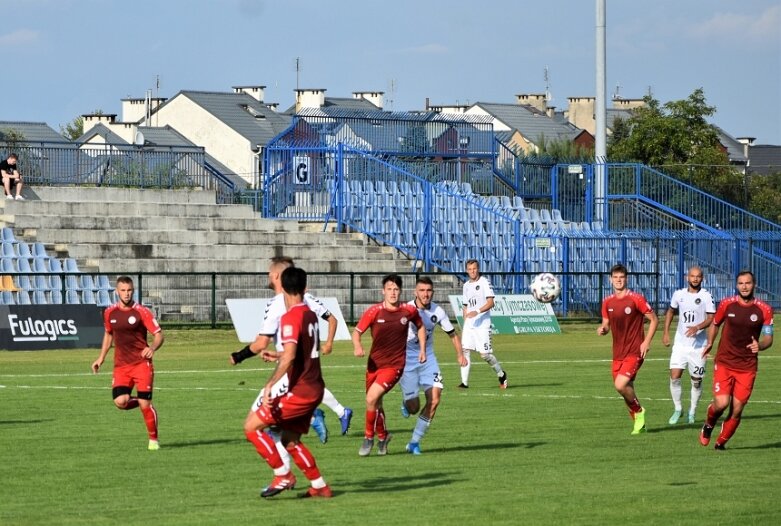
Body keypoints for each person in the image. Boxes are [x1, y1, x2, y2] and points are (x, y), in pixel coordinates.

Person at [230, 257, 352, 463]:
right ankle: (318, 420)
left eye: (270, 273)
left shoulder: (278, 304)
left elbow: (261, 343)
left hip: (288, 371)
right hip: (307, 370)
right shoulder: (307, 302)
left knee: (256, 423)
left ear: (277, 276)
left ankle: (284, 471)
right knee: (281, 428)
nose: (268, 276)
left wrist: (239, 356)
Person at [242, 266, 332, 498]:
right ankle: (320, 486)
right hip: (314, 386)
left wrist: (270, 383)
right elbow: (298, 352)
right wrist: (278, 355)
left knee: (251, 427)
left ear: (282, 288)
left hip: (300, 390)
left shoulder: (291, 317)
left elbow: (291, 355)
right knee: (290, 440)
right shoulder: (310, 314)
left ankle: (282, 475)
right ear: (304, 287)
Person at [699, 270, 774, 450]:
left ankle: (721, 443)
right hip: (725, 362)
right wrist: (710, 342)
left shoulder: (764, 309)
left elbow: (768, 338)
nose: (744, 286)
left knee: (737, 408)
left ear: (754, 284)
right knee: (722, 403)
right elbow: (715, 323)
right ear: (736, 285)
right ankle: (708, 425)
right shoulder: (727, 304)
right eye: (741, 283)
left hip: (747, 366)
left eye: (747, 283)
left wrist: (760, 346)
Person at [353, 274, 425, 457]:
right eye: (389, 289)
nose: (393, 293)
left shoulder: (408, 311)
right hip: (373, 365)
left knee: (371, 399)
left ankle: (369, 438)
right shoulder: (374, 312)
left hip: (394, 366)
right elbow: (357, 332)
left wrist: (422, 349)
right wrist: (358, 345)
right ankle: (383, 436)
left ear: (400, 291)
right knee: (376, 403)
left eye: (396, 289)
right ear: (383, 291)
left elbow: (421, 326)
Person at [91, 276, 164, 450]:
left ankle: (153, 440)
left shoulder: (142, 312)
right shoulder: (109, 312)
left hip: (141, 365)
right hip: (121, 366)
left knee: (145, 405)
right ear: (117, 291)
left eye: (129, 290)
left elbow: (159, 335)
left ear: (133, 290)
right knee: (120, 401)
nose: (126, 293)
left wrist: (152, 348)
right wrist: (101, 358)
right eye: (123, 290)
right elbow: (109, 334)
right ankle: (142, 402)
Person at [400, 276, 467, 455]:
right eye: (422, 290)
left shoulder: (438, 311)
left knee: (435, 399)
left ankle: (414, 442)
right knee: (414, 407)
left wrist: (460, 354)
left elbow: (452, 334)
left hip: (428, 359)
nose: (425, 294)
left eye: (429, 290)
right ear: (415, 292)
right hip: (407, 359)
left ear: (433, 292)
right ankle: (407, 404)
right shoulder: (405, 309)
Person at [597, 263, 658, 435]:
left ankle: (639, 412)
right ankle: (639, 424)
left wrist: (646, 342)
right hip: (618, 353)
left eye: (621, 277)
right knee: (625, 390)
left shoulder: (636, 299)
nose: (618, 280)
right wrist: (603, 330)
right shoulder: (607, 301)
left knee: (620, 385)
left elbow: (653, 319)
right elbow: (606, 324)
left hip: (634, 351)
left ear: (626, 279)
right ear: (610, 280)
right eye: (615, 277)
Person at [662, 266, 715, 424]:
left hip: (698, 346)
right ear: (687, 277)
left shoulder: (706, 296)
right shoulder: (679, 294)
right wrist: (665, 332)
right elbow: (671, 311)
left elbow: (711, 317)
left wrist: (698, 327)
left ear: (702, 278)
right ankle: (678, 409)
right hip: (680, 345)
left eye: (698, 276)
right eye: (692, 276)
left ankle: (692, 411)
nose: (695, 279)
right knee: (674, 376)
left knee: (696, 381)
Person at [458, 259, 507, 389]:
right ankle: (464, 383)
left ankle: (501, 374)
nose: (472, 271)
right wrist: (465, 323)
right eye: (469, 269)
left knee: (485, 355)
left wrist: (477, 311)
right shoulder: (466, 285)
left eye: (474, 269)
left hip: (482, 324)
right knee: (465, 351)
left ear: (478, 269)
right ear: (467, 270)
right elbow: (465, 306)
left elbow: (491, 303)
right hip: (469, 324)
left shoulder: (484, 282)